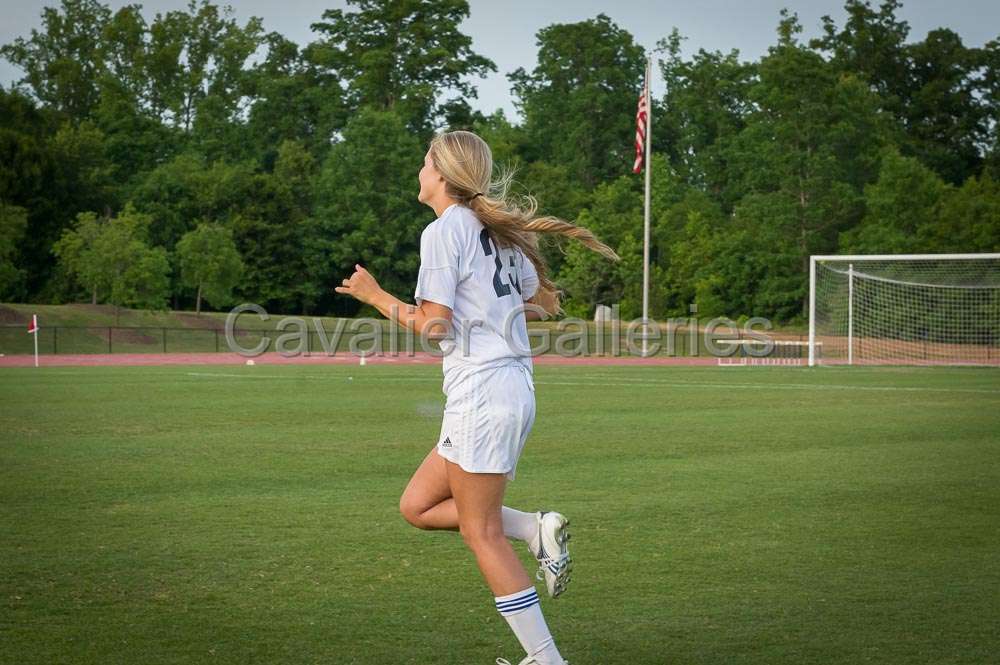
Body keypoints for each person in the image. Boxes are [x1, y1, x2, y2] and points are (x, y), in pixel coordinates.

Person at [335, 130, 618, 665]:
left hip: (484, 394)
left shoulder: (445, 231)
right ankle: (535, 528)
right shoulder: (498, 232)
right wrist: (497, 313)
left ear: (441, 174)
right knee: (417, 507)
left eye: (424, 162)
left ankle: (545, 659)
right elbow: (546, 303)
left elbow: (434, 326)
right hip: (507, 389)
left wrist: (374, 296)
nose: (419, 171)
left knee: (479, 532)